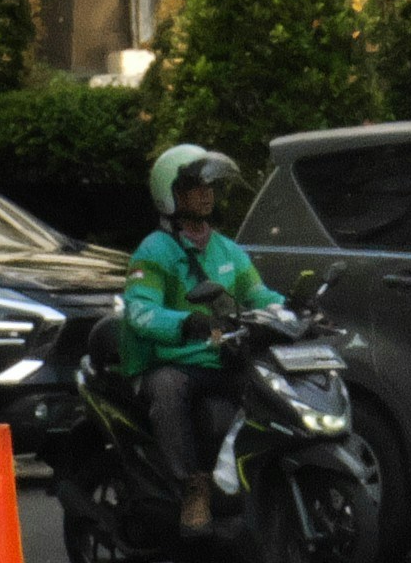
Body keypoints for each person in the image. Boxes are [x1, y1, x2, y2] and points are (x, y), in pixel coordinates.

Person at [123, 143, 292, 534]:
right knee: (167, 389)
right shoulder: (154, 251)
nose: (206, 194)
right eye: (195, 187)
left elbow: (259, 296)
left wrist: (294, 312)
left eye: (209, 187)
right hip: (174, 360)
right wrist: (187, 323)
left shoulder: (227, 249)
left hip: (222, 358)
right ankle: (192, 488)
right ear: (170, 194)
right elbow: (140, 310)